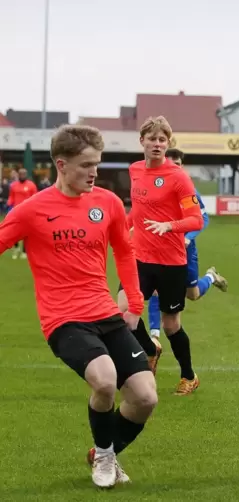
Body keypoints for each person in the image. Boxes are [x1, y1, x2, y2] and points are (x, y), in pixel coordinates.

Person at [0, 125, 157, 488]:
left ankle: (106, 450)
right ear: (61, 164)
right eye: (86, 165)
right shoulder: (31, 210)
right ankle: (104, 458)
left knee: (146, 397)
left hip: (105, 312)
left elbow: (124, 250)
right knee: (104, 381)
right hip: (63, 319)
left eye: (97, 164)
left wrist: (133, 302)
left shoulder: (108, 203)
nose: (94, 172)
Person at [117, 116, 204, 396]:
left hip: (171, 262)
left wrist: (170, 225)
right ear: (141, 141)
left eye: (162, 139)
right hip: (138, 257)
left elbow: (196, 220)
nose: (157, 144)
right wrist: (123, 227)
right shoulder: (134, 170)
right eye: (152, 138)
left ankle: (189, 376)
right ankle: (148, 349)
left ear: (168, 143)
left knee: (170, 324)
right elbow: (138, 210)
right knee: (124, 314)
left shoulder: (178, 177)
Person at [147, 148, 228, 341]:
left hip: (185, 249)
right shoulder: (155, 187)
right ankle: (154, 337)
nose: (174, 168)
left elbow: (203, 218)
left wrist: (188, 237)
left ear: (182, 166)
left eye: (178, 164)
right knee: (157, 288)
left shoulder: (188, 189)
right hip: (162, 248)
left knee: (193, 294)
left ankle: (210, 277)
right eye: (171, 164)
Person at [7, 167, 38, 259]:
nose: (22, 175)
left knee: (26, 231)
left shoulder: (31, 185)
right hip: (16, 211)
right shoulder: (13, 185)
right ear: (18, 175)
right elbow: (11, 197)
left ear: (26, 175)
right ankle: (16, 247)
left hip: (28, 212)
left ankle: (25, 251)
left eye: (24, 174)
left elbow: (35, 197)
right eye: (20, 174)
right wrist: (9, 204)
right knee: (14, 230)